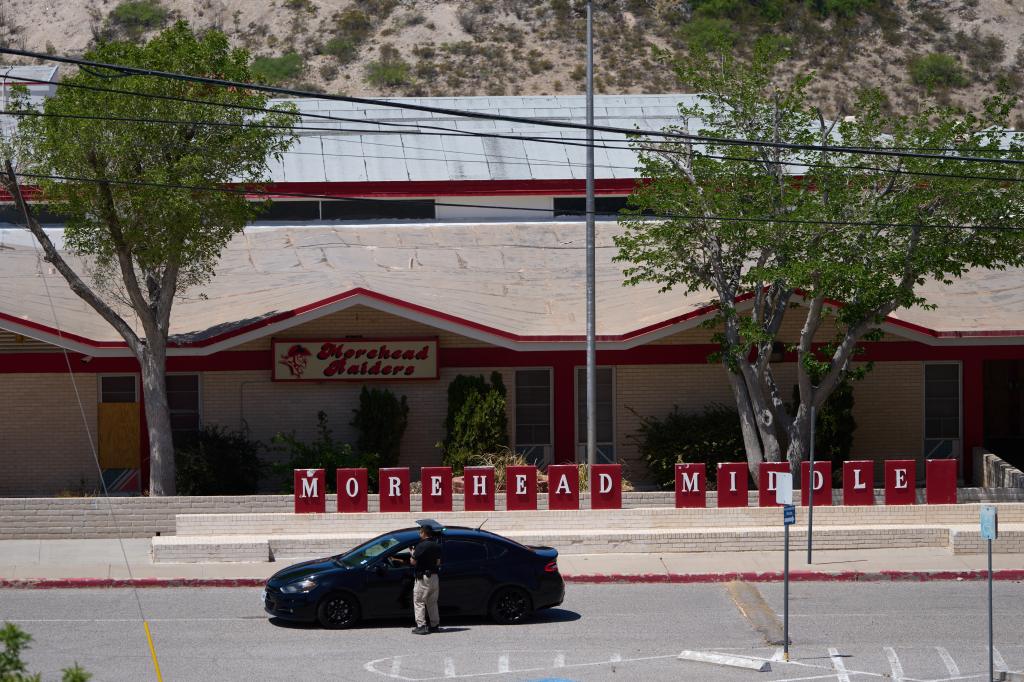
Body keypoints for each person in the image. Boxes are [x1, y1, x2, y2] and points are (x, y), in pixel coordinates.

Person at [410, 523, 442, 635]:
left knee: (419, 601)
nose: (419, 534)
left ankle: (421, 626)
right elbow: (438, 562)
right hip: (434, 577)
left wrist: (412, 553)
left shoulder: (420, 546)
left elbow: (413, 562)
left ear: (423, 533)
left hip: (423, 578)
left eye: (420, 532)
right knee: (432, 602)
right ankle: (434, 625)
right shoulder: (437, 545)